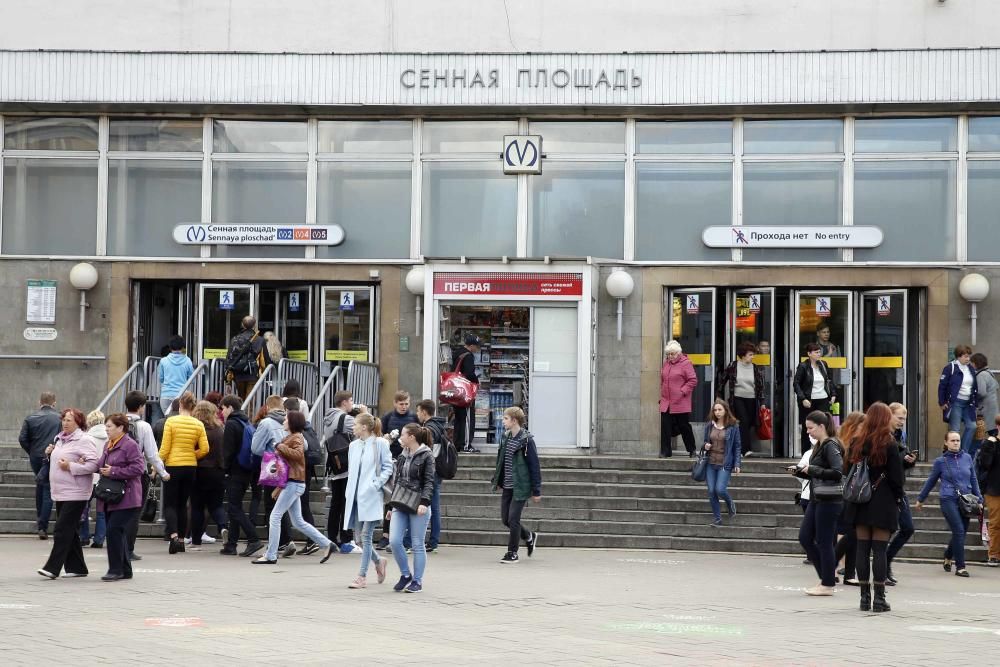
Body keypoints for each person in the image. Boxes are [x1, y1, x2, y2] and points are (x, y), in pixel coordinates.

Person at [844, 402, 905, 613]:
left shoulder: (857, 442)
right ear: (884, 419)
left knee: (862, 549)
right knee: (879, 550)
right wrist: (899, 498)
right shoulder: (889, 443)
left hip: (860, 501)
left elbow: (847, 469)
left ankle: (863, 598)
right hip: (883, 501)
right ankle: (879, 600)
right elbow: (897, 478)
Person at [252, 411, 335, 564]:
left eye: (286, 420)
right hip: (293, 483)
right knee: (297, 521)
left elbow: (298, 454)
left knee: (275, 517)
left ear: (292, 422)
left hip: (294, 483)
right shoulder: (292, 437)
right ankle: (327, 544)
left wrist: (279, 446)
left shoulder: (296, 437)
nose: (283, 422)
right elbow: (288, 464)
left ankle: (271, 555)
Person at [37, 409, 98, 579]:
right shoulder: (60, 439)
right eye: (63, 419)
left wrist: (71, 466)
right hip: (61, 491)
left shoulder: (84, 439)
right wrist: (50, 454)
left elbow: (94, 465)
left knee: (62, 529)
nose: (65, 423)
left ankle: (52, 567)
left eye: (69, 420)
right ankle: (77, 568)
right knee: (70, 531)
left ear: (78, 422)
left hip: (77, 492)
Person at [915, 431, 984, 578]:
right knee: (959, 530)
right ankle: (960, 567)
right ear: (946, 442)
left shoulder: (967, 458)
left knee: (961, 532)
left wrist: (979, 499)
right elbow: (931, 481)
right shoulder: (941, 461)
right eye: (953, 440)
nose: (956, 443)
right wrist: (921, 498)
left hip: (966, 501)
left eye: (958, 440)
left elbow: (973, 479)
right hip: (948, 499)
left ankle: (948, 555)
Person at [792, 411, 844, 596]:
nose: (808, 432)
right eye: (807, 428)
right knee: (805, 537)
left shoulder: (831, 445)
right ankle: (826, 577)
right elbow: (820, 471)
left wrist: (812, 469)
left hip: (829, 499)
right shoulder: (820, 445)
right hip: (817, 497)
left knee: (823, 541)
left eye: (810, 428)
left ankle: (827, 583)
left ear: (822, 427)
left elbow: (838, 471)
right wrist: (800, 471)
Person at [342, 413, 393, 588]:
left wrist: (375, 484)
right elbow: (352, 470)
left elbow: (388, 467)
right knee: (358, 540)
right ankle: (379, 561)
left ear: (364, 427)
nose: (353, 427)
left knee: (366, 536)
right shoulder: (353, 445)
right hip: (355, 497)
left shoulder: (380, 444)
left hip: (371, 496)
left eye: (355, 424)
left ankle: (361, 576)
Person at [387, 423, 437, 593]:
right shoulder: (402, 455)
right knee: (394, 541)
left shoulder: (427, 455)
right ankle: (405, 574)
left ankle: (417, 580)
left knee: (417, 543)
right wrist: (390, 505)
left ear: (411, 437)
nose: (400, 437)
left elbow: (430, 482)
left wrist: (425, 502)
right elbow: (397, 481)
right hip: (400, 503)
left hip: (418, 503)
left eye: (403, 434)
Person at [96, 414, 146, 581]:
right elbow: (100, 464)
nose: (107, 429)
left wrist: (114, 471)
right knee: (118, 531)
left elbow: (139, 468)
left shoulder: (130, 445)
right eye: (106, 426)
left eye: (109, 426)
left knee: (113, 530)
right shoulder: (108, 444)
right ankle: (125, 569)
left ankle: (115, 569)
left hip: (127, 496)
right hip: (111, 495)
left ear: (120, 428)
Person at [159, 391, 209, 554]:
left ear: (180, 404)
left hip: (173, 465)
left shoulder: (171, 422)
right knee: (183, 504)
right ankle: (181, 540)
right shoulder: (198, 424)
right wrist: (191, 455)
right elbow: (205, 449)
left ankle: (173, 536)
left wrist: (156, 466)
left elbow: (165, 448)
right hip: (190, 467)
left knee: (170, 503)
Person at [491, 407, 542, 563]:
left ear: (514, 421)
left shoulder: (527, 440)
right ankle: (528, 536)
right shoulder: (506, 437)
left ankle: (512, 553)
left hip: (520, 486)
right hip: (507, 485)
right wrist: (498, 481)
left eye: (505, 418)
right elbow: (502, 461)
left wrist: (536, 490)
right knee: (506, 519)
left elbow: (534, 466)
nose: (503, 421)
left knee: (513, 519)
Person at [123, 390, 169, 562]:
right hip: (137, 474)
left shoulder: (117, 423)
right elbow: (151, 453)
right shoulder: (144, 426)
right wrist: (163, 472)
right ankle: (128, 548)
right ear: (141, 407)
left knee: (119, 512)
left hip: (117, 475)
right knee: (134, 513)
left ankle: (118, 545)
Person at [219, 394, 264, 557]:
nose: (221, 412)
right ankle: (231, 545)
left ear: (230, 407)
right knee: (234, 507)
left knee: (234, 507)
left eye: (222, 408)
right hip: (247, 470)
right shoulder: (246, 422)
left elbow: (228, 451)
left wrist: (224, 469)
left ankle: (253, 540)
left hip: (235, 471)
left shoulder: (231, 424)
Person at [323, 390, 366, 554]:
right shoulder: (346, 419)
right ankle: (347, 540)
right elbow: (366, 429)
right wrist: (364, 413)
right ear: (344, 402)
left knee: (336, 504)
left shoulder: (328, 419)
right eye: (351, 401)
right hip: (348, 467)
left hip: (335, 467)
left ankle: (332, 539)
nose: (352, 403)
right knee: (348, 505)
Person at [251, 396, 294, 555]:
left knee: (271, 506)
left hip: (273, 466)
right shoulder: (288, 421)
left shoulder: (266, 423)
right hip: (289, 465)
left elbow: (255, 448)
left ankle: (276, 544)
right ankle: (287, 540)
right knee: (283, 505)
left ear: (268, 407)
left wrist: (269, 454)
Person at [18, 391, 61, 539]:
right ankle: (42, 525)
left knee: (40, 484)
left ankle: (40, 520)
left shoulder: (31, 418)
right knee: (48, 488)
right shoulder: (60, 418)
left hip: (36, 456)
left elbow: (22, 438)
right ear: (54, 402)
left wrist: (32, 451)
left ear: (39, 402)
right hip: (52, 455)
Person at [885, 402, 917, 585]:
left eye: (904, 419)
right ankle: (880, 568)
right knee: (886, 530)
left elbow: (898, 463)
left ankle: (887, 561)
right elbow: (886, 461)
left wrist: (908, 461)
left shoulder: (899, 436)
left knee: (908, 527)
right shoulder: (883, 436)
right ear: (889, 415)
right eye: (899, 418)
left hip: (898, 488)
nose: (902, 422)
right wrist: (900, 458)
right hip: (886, 489)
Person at [189, 400, 228, 549]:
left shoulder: (196, 429)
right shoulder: (220, 429)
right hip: (217, 471)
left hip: (199, 471)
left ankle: (196, 541)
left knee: (197, 507)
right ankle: (223, 526)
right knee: (216, 505)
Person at [832, 411, 864, 585]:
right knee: (844, 531)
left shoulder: (858, 443)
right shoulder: (841, 444)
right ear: (854, 426)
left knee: (853, 532)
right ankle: (835, 568)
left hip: (853, 493)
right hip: (843, 493)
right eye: (862, 425)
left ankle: (849, 573)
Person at [716, 342, 764, 457]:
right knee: (744, 422)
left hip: (752, 399)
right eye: (750, 354)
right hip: (737, 398)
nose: (753, 357)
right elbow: (723, 381)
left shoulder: (755, 368)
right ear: (743, 355)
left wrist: (762, 402)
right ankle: (745, 450)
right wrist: (719, 396)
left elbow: (760, 386)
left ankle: (738, 448)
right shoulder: (733, 366)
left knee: (748, 424)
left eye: (753, 355)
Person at [701, 399, 741, 527]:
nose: (717, 412)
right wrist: (705, 445)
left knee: (720, 489)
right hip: (710, 463)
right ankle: (717, 519)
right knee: (711, 491)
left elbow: (737, 446)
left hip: (725, 463)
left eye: (720, 410)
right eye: (715, 410)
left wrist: (737, 464)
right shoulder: (709, 425)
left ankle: (730, 503)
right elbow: (704, 442)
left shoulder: (733, 426)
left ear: (725, 410)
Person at [417, 399, 448, 553]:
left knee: (431, 506)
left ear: (424, 411)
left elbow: (427, 452)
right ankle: (433, 540)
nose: (417, 414)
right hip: (436, 471)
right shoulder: (438, 426)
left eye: (418, 411)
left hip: (431, 472)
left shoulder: (429, 428)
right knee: (434, 506)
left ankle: (432, 541)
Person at [793, 343, 835, 456]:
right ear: (809, 354)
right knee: (807, 427)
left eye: (819, 352)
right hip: (808, 401)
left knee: (824, 426)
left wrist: (833, 394)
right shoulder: (803, 366)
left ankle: (823, 452)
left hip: (823, 399)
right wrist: (802, 399)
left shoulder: (823, 364)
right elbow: (796, 384)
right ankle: (805, 454)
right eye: (816, 352)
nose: (818, 354)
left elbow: (829, 381)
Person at [659, 339, 698, 458]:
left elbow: (693, 380)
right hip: (666, 401)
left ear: (678, 353)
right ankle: (666, 451)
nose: (670, 356)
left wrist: (682, 391)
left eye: (672, 354)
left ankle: (691, 449)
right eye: (668, 354)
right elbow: (663, 380)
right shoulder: (666, 364)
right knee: (665, 426)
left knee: (684, 426)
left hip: (681, 401)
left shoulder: (686, 363)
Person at [937, 345, 978, 454]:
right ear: (958, 356)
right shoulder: (950, 368)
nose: (968, 359)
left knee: (972, 426)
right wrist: (942, 402)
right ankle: (953, 453)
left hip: (968, 404)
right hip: (955, 403)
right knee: (955, 430)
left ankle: (962, 452)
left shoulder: (971, 369)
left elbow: (975, 386)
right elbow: (942, 386)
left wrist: (975, 403)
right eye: (965, 356)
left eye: (969, 356)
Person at [79, 410, 108, 549]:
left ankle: (84, 536)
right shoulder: (109, 437)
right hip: (104, 477)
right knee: (102, 510)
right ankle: (99, 539)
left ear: (89, 422)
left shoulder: (86, 437)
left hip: (89, 476)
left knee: (84, 508)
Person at [452, 335, 482, 453]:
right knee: (467, 418)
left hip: (456, 391)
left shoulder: (458, 354)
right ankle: (466, 445)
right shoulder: (468, 356)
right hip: (465, 393)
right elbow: (469, 373)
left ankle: (458, 444)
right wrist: (476, 381)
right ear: (471, 346)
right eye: (477, 347)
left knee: (459, 419)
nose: (478, 349)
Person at [977, 416, 1000, 567]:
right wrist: (990, 445)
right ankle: (994, 554)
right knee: (996, 522)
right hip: (994, 488)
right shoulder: (990, 443)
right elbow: (985, 464)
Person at [226, 316, 264, 398]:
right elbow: (262, 360)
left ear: (242, 325)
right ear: (254, 325)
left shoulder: (235, 339)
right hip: (252, 373)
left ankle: (242, 410)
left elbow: (229, 358)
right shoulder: (259, 340)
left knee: (241, 398)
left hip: (238, 373)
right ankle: (249, 411)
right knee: (250, 400)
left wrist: (228, 379)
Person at [157, 335, 194, 415]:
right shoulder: (188, 361)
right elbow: (192, 379)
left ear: (170, 347)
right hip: (182, 396)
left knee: (168, 421)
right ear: (183, 347)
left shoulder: (163, 361)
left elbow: (161, 378)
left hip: (166, 396)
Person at [972, 353, 999, 453]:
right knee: (994, 434)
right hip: (992, 409)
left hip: (985, 410)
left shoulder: (981, 375)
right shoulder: (989, 373)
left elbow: (981, 392)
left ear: (976, 364)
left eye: (972, 363)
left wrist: (972, 398)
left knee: (985, 436)